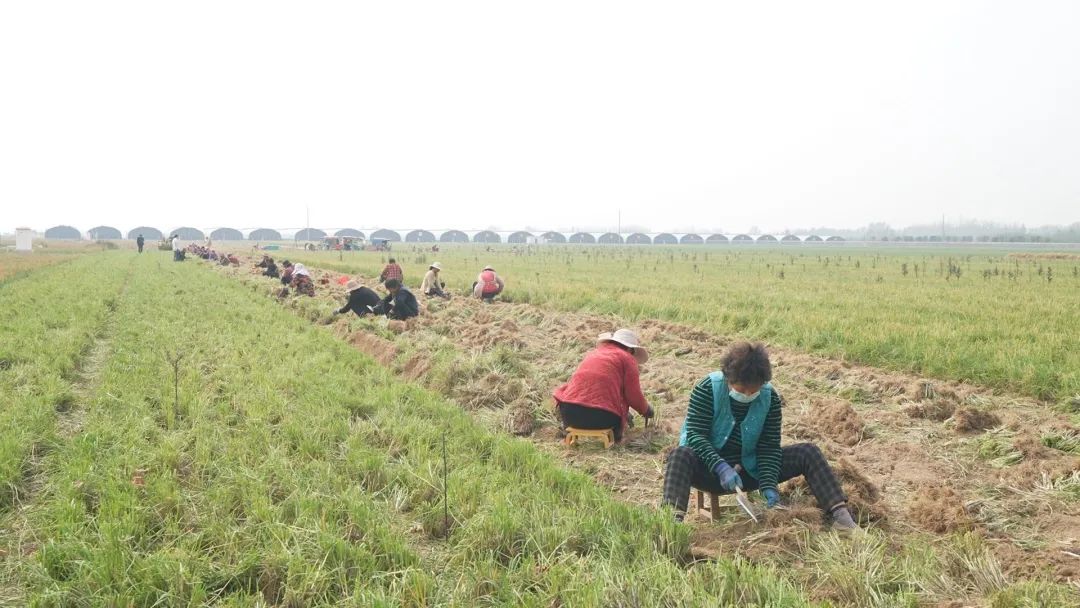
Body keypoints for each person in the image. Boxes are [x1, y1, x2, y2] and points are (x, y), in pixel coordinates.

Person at [661, 342, 858, 531]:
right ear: (728, 378)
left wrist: (768, 484)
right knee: (679, 455)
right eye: (741, 389)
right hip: (709, 471)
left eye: (753, 390)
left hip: (749, 469)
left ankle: (841, 517)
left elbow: (768, 446)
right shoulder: (708, 388)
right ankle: (671, 524)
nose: (747, 394)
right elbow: (695, 435)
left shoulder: (769, 397)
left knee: (808, 452)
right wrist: (720, 466)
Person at [552, 329, 654, 443]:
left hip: (569, 414)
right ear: (630, 349)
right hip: (602, 417)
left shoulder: (594, 353)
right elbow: (633, 395)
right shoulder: (627, 358)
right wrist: (646, 410)